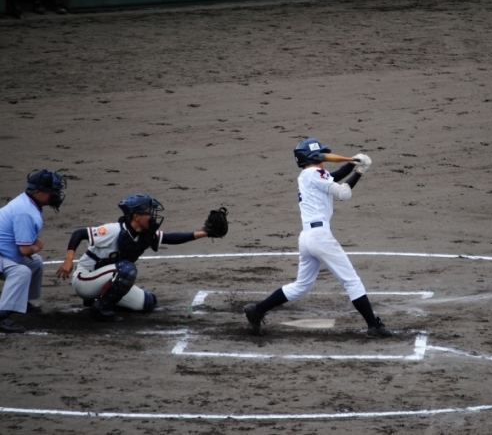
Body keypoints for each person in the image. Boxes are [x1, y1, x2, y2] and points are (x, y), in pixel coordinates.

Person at [244, 138, 393, 338]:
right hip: (321, 238)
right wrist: (359, 172)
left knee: (302, 285)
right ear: (314, 157)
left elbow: (333, 177)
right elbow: (343, 193)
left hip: (307, 238)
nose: (325, 158)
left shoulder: (307, 175)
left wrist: (352, 163)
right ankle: (374, 326)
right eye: (321, 155)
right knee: (351, 281)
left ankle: (258, 310)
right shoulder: (315, 174)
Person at [56, 193, 214, 322]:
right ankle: (100, 309)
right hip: (85, 279)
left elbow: (171, 238)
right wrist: (69, 259)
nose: (153, 216)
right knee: (127, 270)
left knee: (148, 302)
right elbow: (79, 233)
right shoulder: (114, 230)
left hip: (105, 279)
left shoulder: (144, 234)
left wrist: (205, 233)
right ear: (136, 216)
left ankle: (98, 298)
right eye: (149, 212)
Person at [0, 169, 67, 333]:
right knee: (21, 272)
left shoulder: (28, 203)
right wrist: (37, 247)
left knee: (35, 263)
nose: (56, 195)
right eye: (52, 191)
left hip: (3, 253)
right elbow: (25, 250)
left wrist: (32, 248)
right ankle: (2, 316)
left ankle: (20, 302)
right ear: (38, 192)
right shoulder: (25, 212)